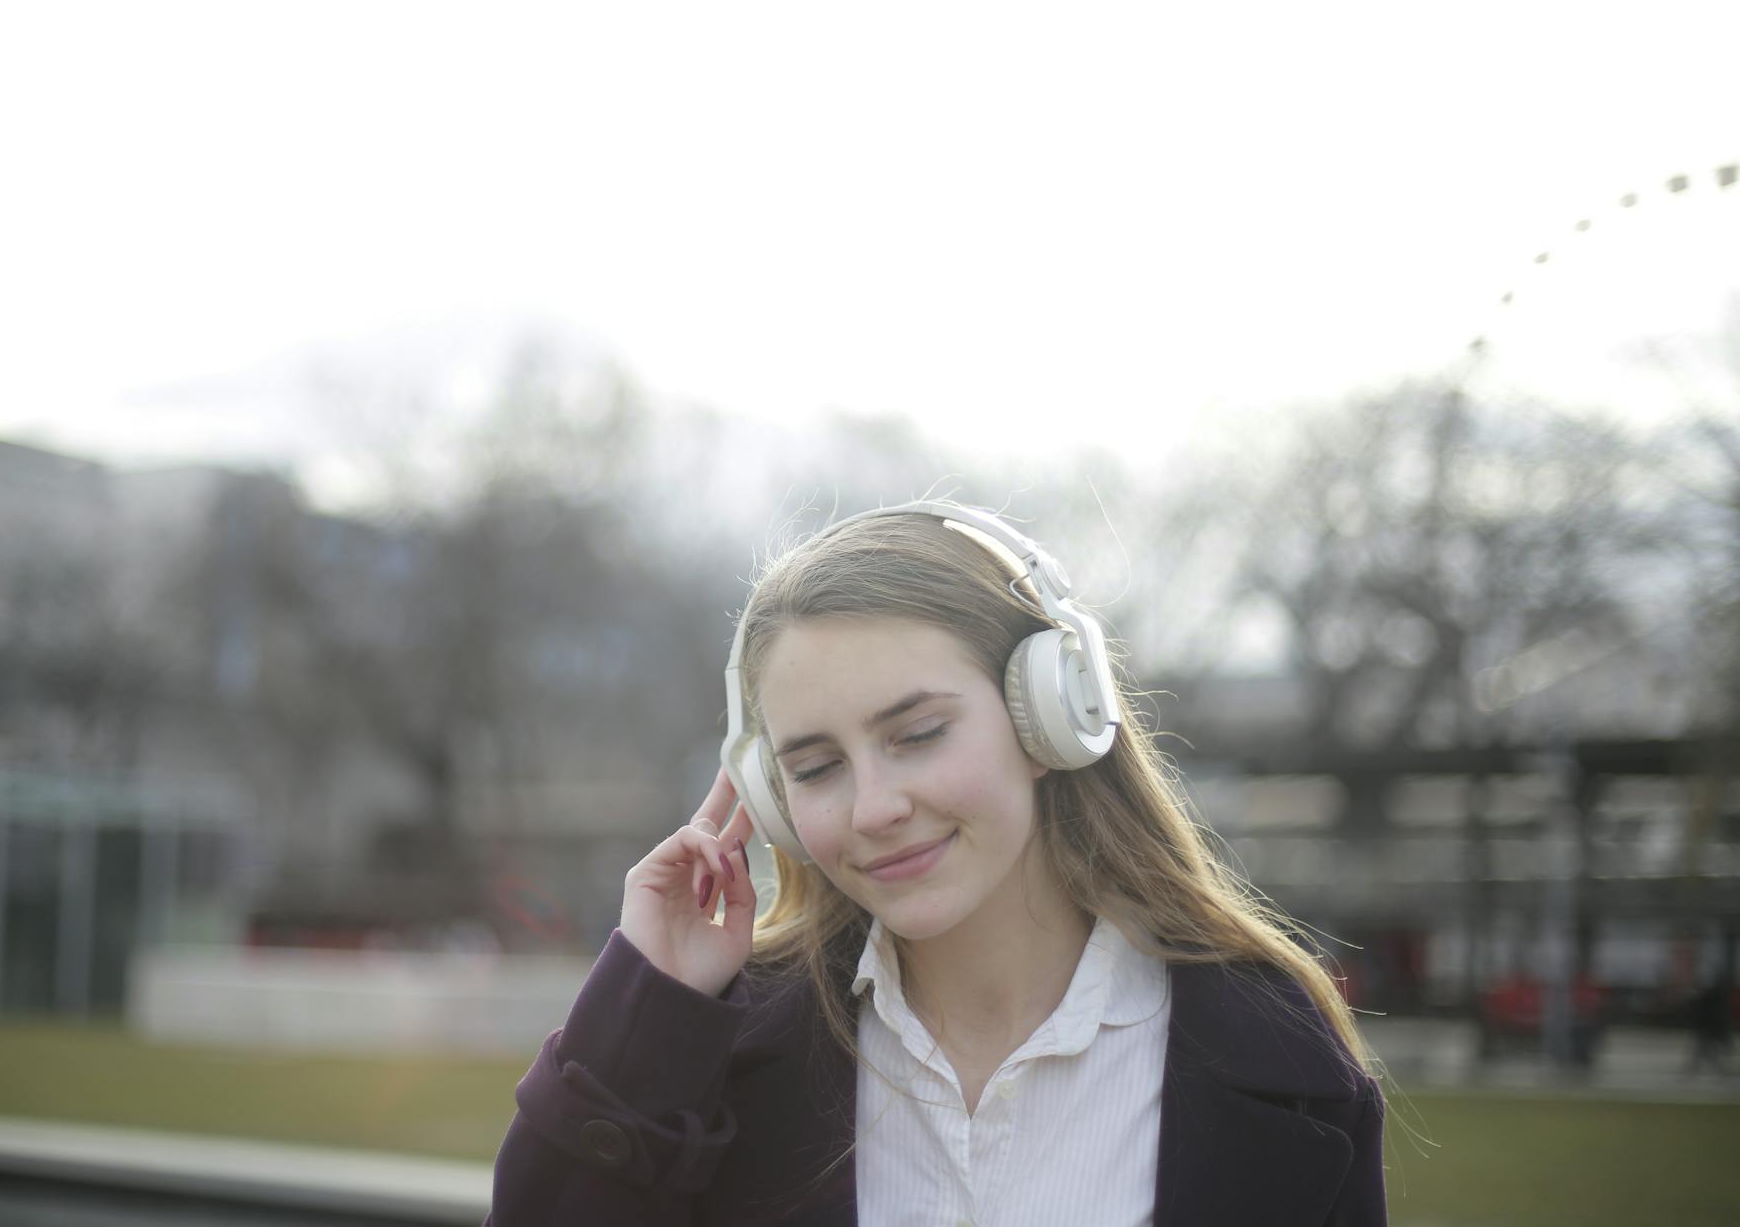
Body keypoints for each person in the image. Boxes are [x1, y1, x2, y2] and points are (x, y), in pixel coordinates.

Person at [490, 501, 1386, 1225]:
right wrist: (651, 1017)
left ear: (1051, 718)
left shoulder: (1272, 1048)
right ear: (771, 800)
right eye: (815, 767)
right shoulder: (722, 1049)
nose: (874, 807)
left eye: (917, 735)